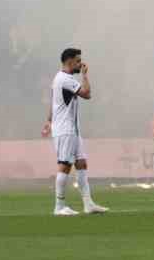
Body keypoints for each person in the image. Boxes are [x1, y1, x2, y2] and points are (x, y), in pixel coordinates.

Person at [40, 47, 107, 215]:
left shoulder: (59, 78)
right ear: (69, 61)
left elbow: (53, 102)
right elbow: (86, 93)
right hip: (65, 129)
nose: (80, 64)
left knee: (81, 163)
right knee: (65, 165)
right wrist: (85, 75)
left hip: (72, 129)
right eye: (78, 61)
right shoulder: (65, 79)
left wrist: (48, 120)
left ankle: (88, 203)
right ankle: (59, 206)